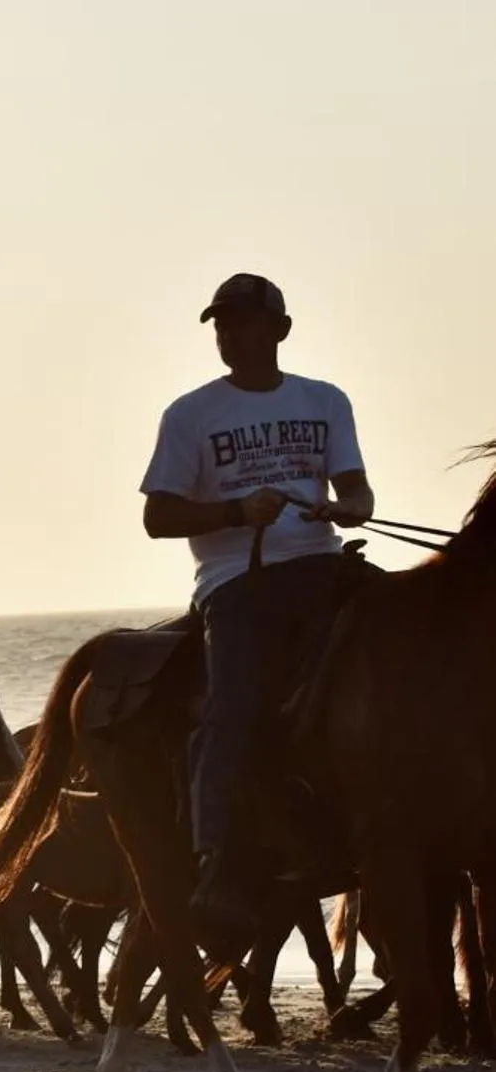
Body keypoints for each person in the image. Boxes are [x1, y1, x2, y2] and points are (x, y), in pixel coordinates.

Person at [139, 272, 373, 944]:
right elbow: (159, 517)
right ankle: (213, 857)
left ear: (280, 330)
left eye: (244, 322)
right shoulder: (190, 415)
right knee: (235, 704)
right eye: (222, 325)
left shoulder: (325, 400)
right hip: (238, 579)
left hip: (324, 563)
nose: (231, 334)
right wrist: (237, 511)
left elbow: (360, 494)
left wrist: (345, 509)